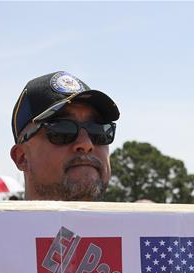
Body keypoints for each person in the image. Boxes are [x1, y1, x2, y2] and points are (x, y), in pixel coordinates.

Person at [9, 71, 119, 201]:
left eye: (99, 131)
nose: (86, 144)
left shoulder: (141, 221)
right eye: (62, 130)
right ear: (22, 157)